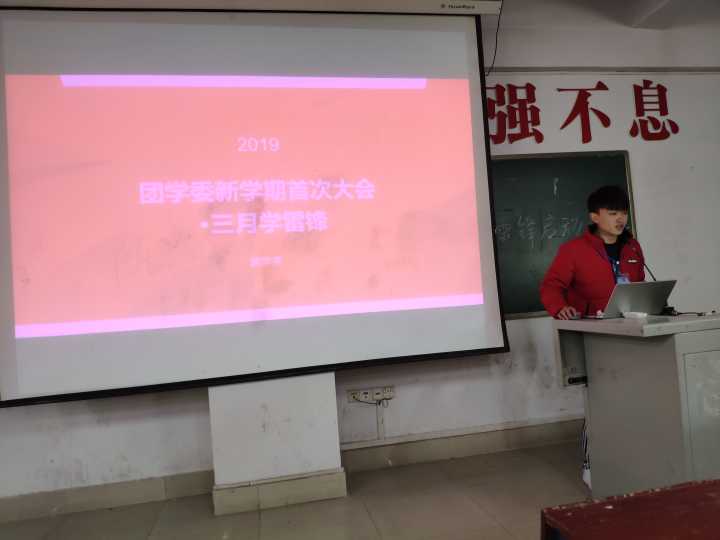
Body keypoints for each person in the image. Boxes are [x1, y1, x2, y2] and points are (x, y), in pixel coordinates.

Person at [540, 185, 646, 488]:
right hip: (593, 334)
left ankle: (631, 460)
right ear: (594, 217)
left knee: (630, 400)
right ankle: (591, 464)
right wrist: (559, 308)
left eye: (623, 213)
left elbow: (638, 287)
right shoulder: (574, 250)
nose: (620, 219)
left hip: (630, 334)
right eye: (612, 213)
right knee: (599, 403)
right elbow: (551, 286)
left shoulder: (633, 248)